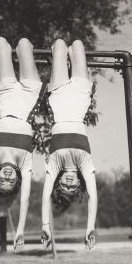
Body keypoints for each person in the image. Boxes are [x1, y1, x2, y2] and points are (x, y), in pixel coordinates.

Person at [0, 37, 43, 252]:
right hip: (29, 96)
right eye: (11, 182)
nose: (7, 178)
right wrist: (20, 229)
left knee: (0, 43)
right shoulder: (25, 164)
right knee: (25, 44)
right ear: (17, 178)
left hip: (6, 95)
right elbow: (25, 199)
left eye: (2, 181)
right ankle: (26, 50)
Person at [41, 39, 97, 250]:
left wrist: (45, 225)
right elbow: (93, 196)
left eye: (64, 186)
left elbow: (46, 196)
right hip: (81, 101)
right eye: (72, 187)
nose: (69, 184)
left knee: (60, 45)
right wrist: (90, 226)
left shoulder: (55, 164)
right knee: (78, 45)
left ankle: (56, 49)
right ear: (78, 185)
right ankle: (66, 50)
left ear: (59, 182)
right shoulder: (86, 166)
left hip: (60, 100)